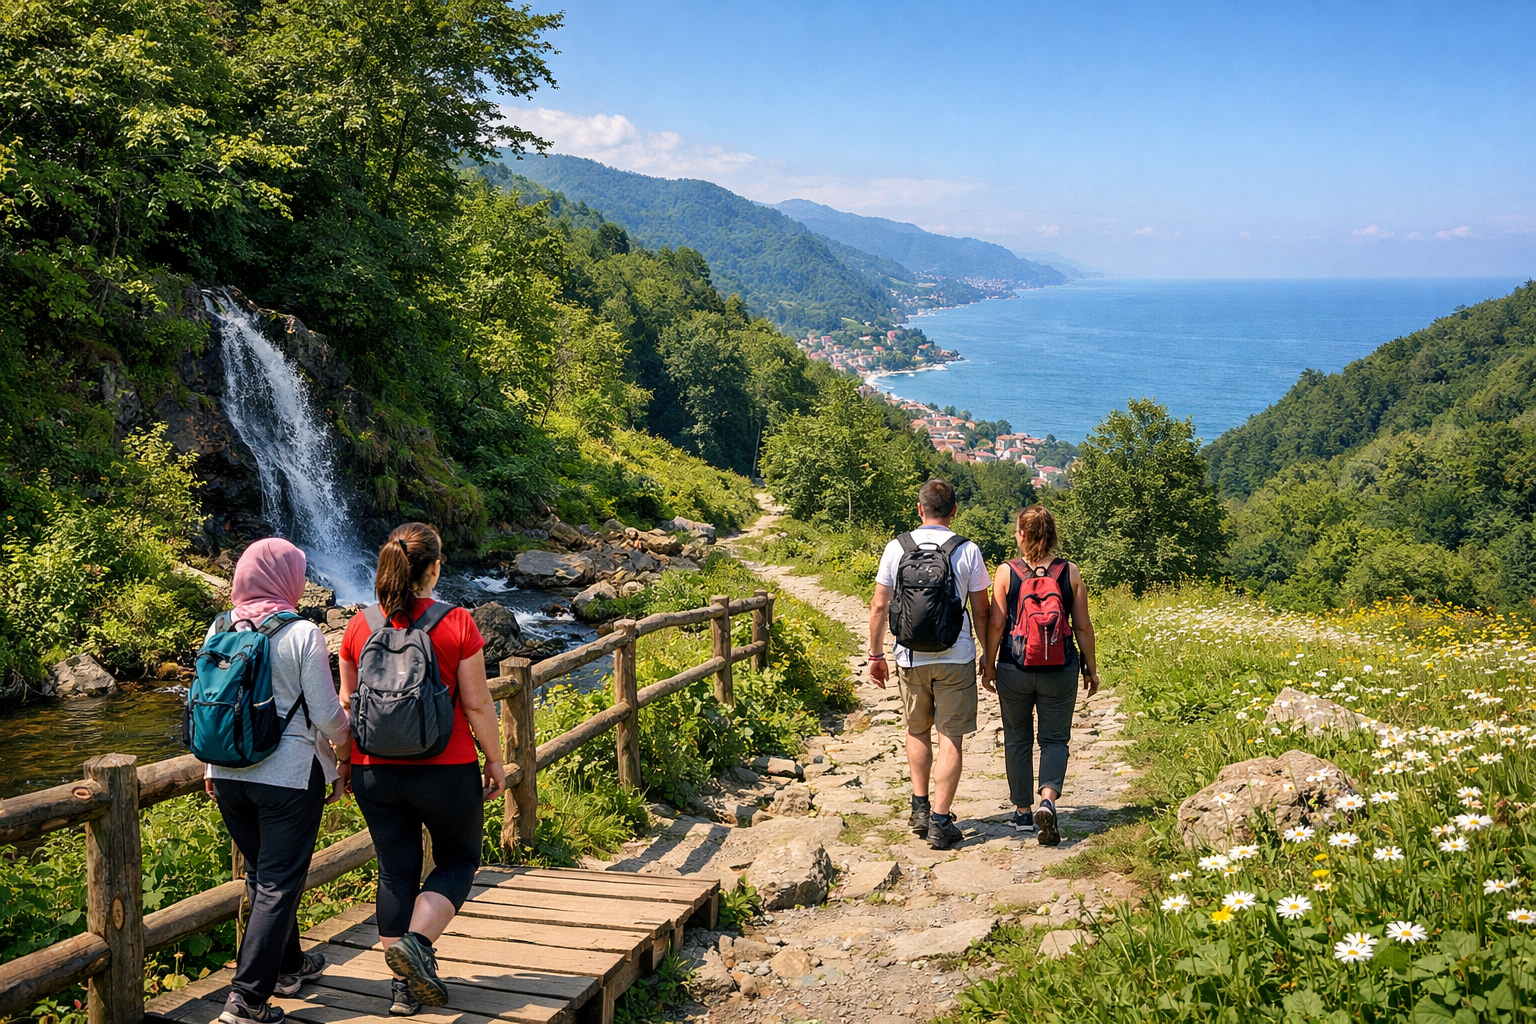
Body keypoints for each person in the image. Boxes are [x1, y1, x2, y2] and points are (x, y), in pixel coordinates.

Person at [338, 523, 507, 1016]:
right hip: (446, 767)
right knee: (458, 861)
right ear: (433, 568)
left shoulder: (359, 624)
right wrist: (495, 760)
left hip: (374, 771)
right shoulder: (457, 622)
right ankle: (416, 944)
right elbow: (476, 705)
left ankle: (403, 991)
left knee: (395, 872)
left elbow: (349, 704)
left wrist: (347, 764)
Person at [203, 539, 353, 1024]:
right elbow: (328, 714)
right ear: (288, 578)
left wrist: (211, 768)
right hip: (288, 777)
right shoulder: (302, 631)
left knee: (263, 877)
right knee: (277, 882)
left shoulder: (219, 626)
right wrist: (347, 754)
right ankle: (246, 1000)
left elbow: (212, 701)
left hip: (228, 773)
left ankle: (288, 968)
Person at [868, 479, 992, 850]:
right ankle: (940, 821)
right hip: (956, 656)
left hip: (909, 655)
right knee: (950, 735)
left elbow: (879, 605)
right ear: (954, 511)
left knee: (917, 729)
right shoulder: (967, 550)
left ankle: (919, 808)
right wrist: (989, 655)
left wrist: (876, 655)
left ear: (919, 509)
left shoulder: (897, 547)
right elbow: (982, 612)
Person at [983, 505, 1099, 847]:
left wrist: (988, 664)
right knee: (1054, 739)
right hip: (1060, 669)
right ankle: (1047, 799)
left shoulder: (1006, 572)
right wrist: (1090, 668)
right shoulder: (1069, 572)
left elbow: (996, 623)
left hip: (1014, 667)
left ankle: (1022, 811)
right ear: (1052, 535)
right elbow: (1081, 625)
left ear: (1021, 535)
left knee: (1017, 739)